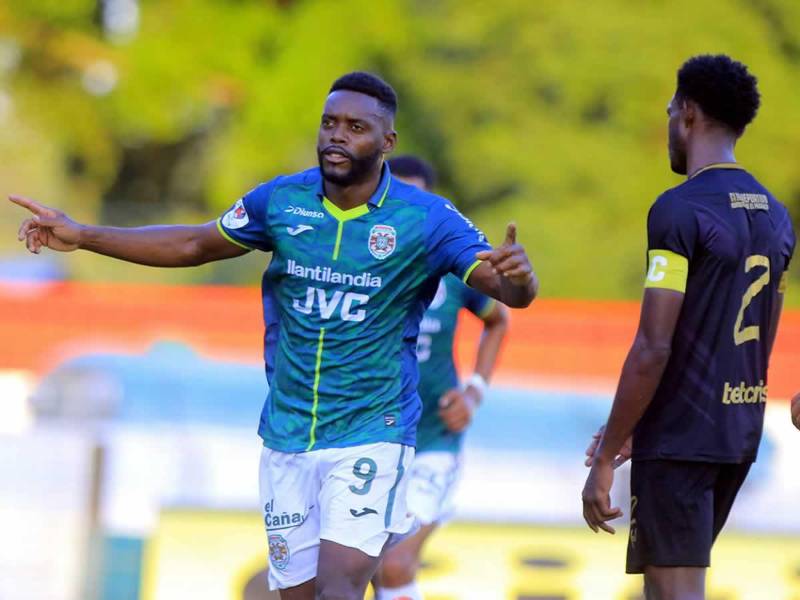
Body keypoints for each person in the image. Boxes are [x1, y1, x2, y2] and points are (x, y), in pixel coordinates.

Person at [11, 72, 538, 600]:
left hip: (373, 430)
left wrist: (521, 279)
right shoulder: (282, 201)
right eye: (329, 122)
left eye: (356, 127)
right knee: (297, 595)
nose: (337, 135)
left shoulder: (426, 218)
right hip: (287, 432)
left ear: (387, 143)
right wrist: (84, 236)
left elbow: (505, 294)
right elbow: (195, 245)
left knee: (342, 587)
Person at [581, 54, 795, 600]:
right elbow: (764, 328)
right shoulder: (775, 214)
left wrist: (607, 454)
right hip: (737, 431)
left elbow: (653, 345)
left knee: (676, 593)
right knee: (665, 588)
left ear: (689, 113)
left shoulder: (678, 211)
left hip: (681, 438)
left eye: (671, 109)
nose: (670, 124)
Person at [372, 156, 509, 600]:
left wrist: (474, 392)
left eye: (418, 198)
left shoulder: (453, 268)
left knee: (394, 564)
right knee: (359, 566)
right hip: (368, 436)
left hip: (433, 439)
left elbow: (498, 320)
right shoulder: (362, 262)